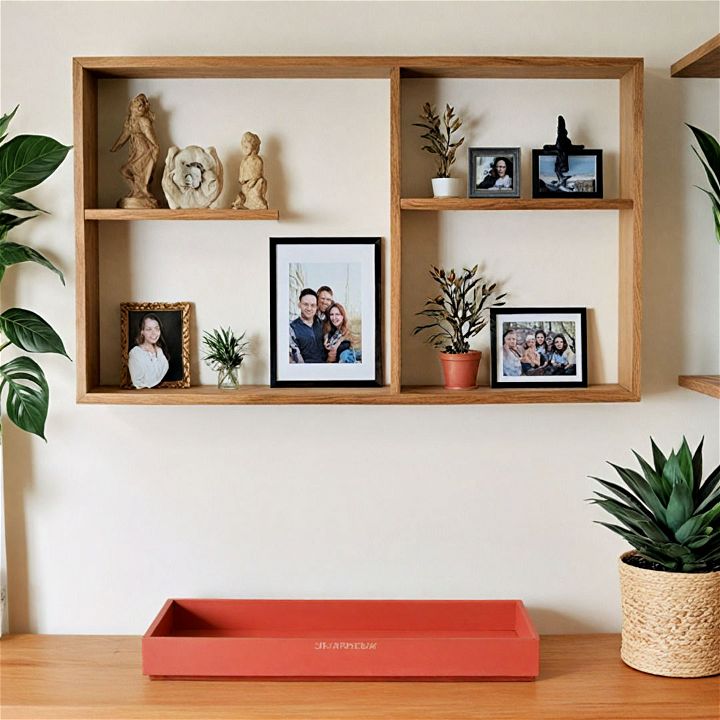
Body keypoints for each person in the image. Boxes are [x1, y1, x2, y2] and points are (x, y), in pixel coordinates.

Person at [110, 93, 160, 208]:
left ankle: (143, 192)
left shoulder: (143, 121)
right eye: (138, 102)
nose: (140, 105)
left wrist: (156, 148)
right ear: (132, 105)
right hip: (135, 151)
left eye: (142, 103)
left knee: (136, 172)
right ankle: (137, 191)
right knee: (125, 171)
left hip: (144, 151)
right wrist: (115, 147)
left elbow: (150, 137)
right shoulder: (130, 121)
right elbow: (124, 136)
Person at [128, 313, 169, 388]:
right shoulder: (136, 353)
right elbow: (138, 382)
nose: (154, 333)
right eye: (149, 329)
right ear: (142, 332)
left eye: (157, 328)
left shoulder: (160, 351)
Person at [289, 289, 326, 363]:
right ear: (299, 305)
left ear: (317, 307)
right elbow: (295, 356)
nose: (309, 308)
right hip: (306, 371)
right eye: (305, 304)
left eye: (313, 305)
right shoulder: (292, 328)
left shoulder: (322, 324)